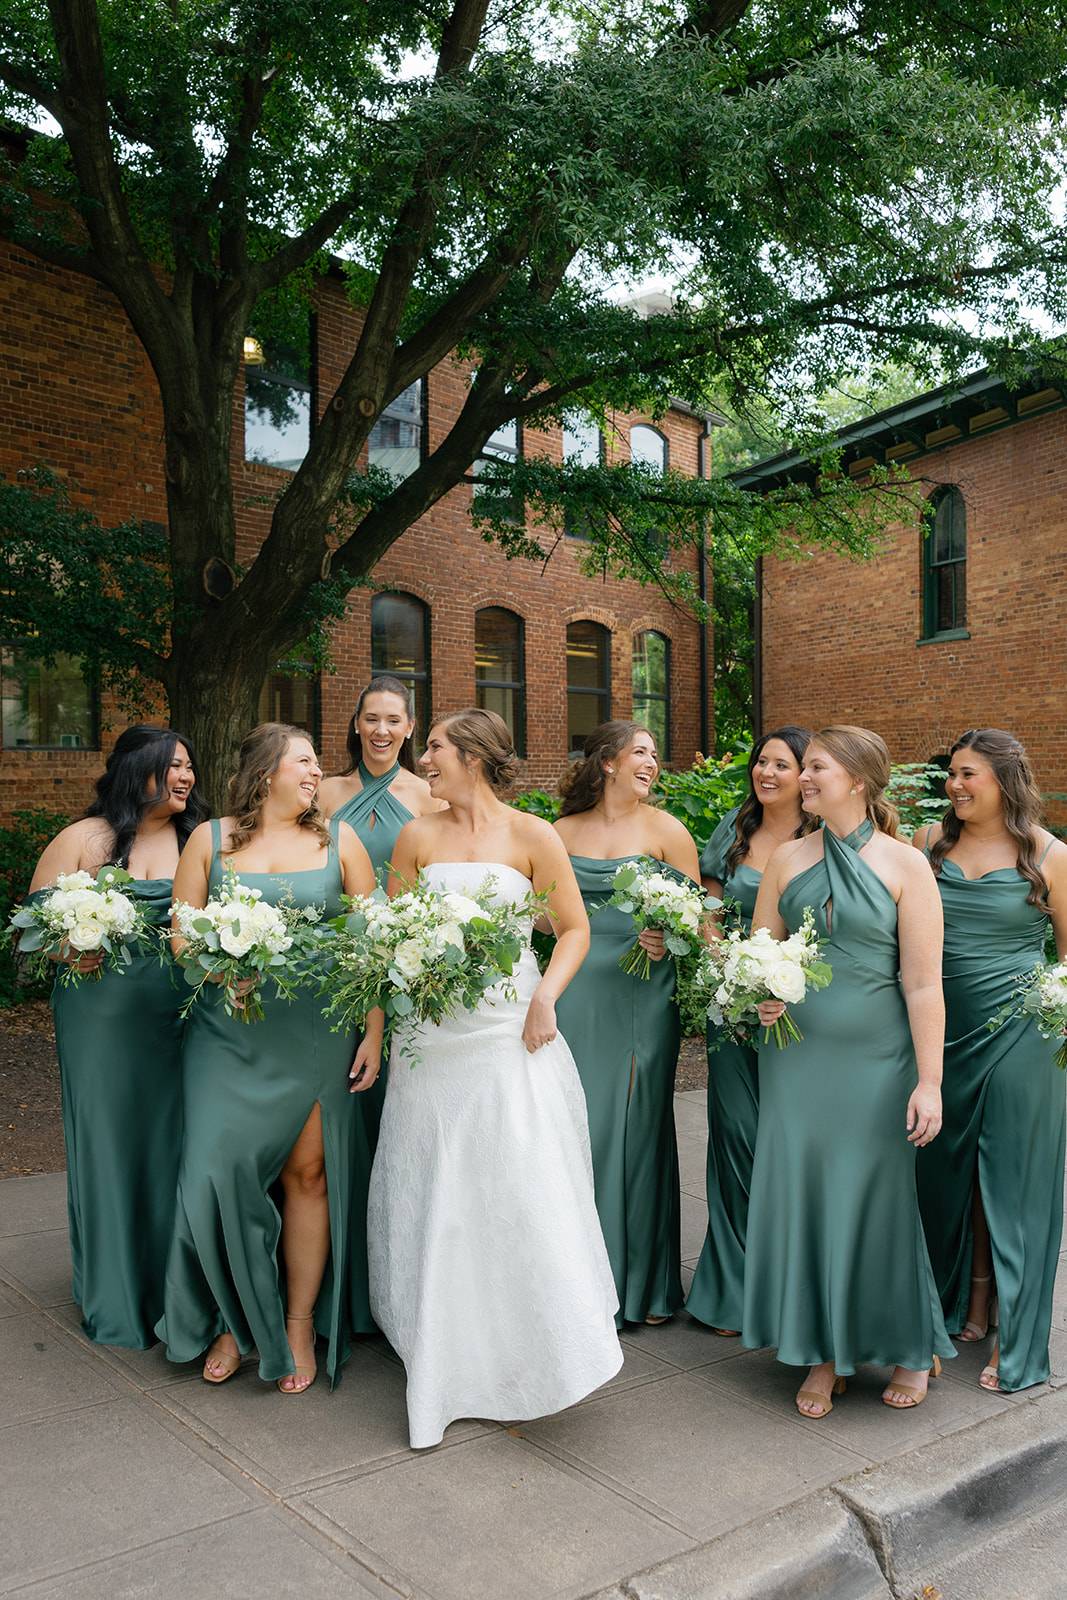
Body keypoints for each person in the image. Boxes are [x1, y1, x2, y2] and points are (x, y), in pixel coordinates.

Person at [368, 708, 622, 1448]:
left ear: (473, 757)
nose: (424, 762)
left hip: (508, 1026)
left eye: (436, 749)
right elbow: (389, 942)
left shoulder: (532, 835)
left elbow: (572, 928)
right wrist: (379, 1031)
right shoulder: (415, 838)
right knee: (437, 1184)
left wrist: (546, 997)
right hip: (431, 1036)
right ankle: (444, 1357)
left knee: (515, 1182)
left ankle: (532, 1351)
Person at [156, 723, 382, 1393]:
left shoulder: (340, 840)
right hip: (229, 1033)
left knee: (307, 1177)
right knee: (217, 1174)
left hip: (319, 1029)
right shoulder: (210, 839)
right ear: (265, 770)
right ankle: (234, 1318)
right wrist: (218, 969)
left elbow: (375, 945)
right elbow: (180, 934)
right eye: (304, 761)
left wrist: (373, 1032)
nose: (316, 773)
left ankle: (296, 1324)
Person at [744, 725, 953, 1416]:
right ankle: (823, 1351)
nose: (803, 778)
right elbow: (758, 952)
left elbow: (922, 983)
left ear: (858, 782)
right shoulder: (783, 858)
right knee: (808, 1194)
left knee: (873, 1198)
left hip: (877, 1062)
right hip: (794, 1057)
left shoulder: (905, 865)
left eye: (815, 768)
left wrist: (929, 1081)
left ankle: (906, 1346)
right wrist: (761, 993)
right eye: (803, 768)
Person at [26, 725, 208, 1348]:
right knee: (110, 1140)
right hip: (100, 1021)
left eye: (189, 767)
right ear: (139, 770)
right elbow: (34, 928)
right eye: (173, 766)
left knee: (178, 1142)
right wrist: (68, 947)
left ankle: (178, 1292)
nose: (186, 776)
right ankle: (117, 1293)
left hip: (185, 1015)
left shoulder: (203, 840)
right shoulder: (84, 839)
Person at [914, 729, 1067, 1392]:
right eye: (950, 773)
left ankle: (1018, 1336)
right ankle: (965, 1301)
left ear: (1004, 778)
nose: (954, 785)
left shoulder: (1048, 854)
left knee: (1012, 1181)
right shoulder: (925, 844)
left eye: (967, 773)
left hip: (1022, 1033)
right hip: (940, 1034)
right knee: (945, 1177)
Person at [552, 721, 701, 1326]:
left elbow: (701, 922)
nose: (652, 762)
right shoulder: (559, 832)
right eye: (640, 751)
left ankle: (641, 1285)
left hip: (644, 991)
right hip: (580, 991)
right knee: (577, 1129)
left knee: (640, 1130)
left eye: (655, 754)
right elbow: (543, 918)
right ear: (607, 761)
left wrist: (672, 936)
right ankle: (581, 1284)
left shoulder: (667, 830)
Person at [686, 727, 813, 1337]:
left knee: (787, 1140)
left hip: (798, 1010)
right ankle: (732, 1288)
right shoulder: (733, 832)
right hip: (731, 1009)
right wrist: (727, 971)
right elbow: (710, 911)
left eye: (780, 765)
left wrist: (783, 980)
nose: (765, 772)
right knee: (736, 1136)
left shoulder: (822, 838)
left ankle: (788, 1281)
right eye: (761, 761)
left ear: (805, 775)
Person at [318, 676, 445, 1150]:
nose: (381, 730)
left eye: (393, 720)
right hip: (333, 949)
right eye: (371, 719)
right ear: (355, 724)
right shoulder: (325, 793)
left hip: (404, 955)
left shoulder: (429, 795)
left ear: (410, 728)